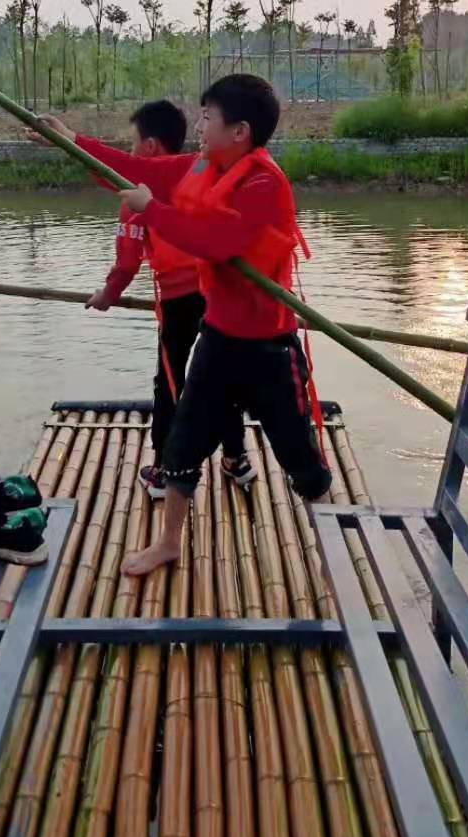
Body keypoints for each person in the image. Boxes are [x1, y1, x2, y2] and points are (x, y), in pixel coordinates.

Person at [31, 74, 331, 576]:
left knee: (298, 450)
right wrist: (70, 140)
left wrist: (152, 212)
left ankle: (330, 538)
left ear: (240, 131)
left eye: (208, 117)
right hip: (219, 336)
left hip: (269, 348)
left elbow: (217, 241)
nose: (200, 125)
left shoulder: (263, 183)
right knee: (185, 439)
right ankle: (169, 541)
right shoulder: (203, 166)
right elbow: (131, 170)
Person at [80, 99, 252, 498]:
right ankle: (236, 459)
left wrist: (107, 294)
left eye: (134, 144)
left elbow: (127, 263)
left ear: (152, 146)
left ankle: (162, 468)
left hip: (179, 300)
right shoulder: (203, 171)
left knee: (171, 380)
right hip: (221, 292)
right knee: (222, 374)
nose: (131, 152)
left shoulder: (138, 197)